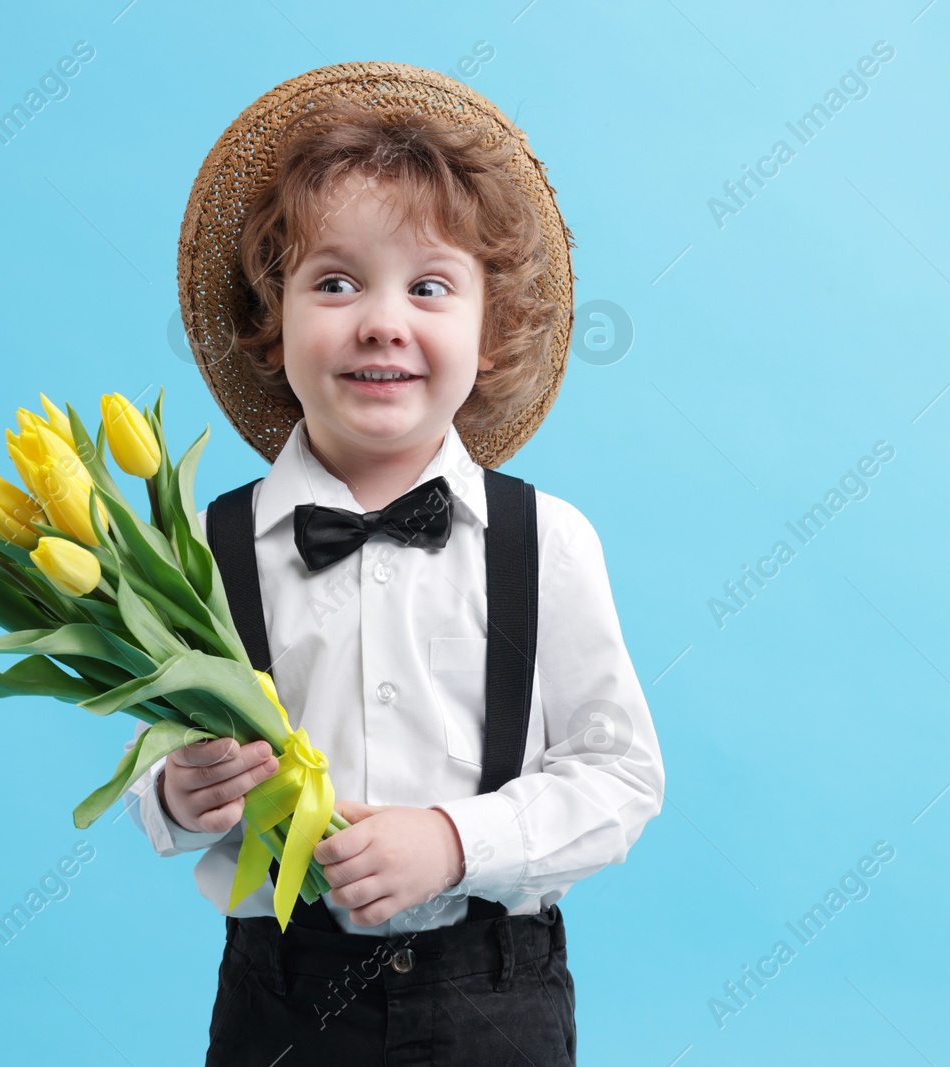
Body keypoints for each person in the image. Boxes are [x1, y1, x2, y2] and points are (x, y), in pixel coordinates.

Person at [122, 61, 664, 1065]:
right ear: (269, 320)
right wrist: (177, 793)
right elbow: (158, 764)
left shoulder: (547, 541)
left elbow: (619, 774)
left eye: (427, 285)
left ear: (486, 330)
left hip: (492, 991)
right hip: (280, 995)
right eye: (335, 282)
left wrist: (455, 840)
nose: (381, 319)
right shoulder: (205, 547)